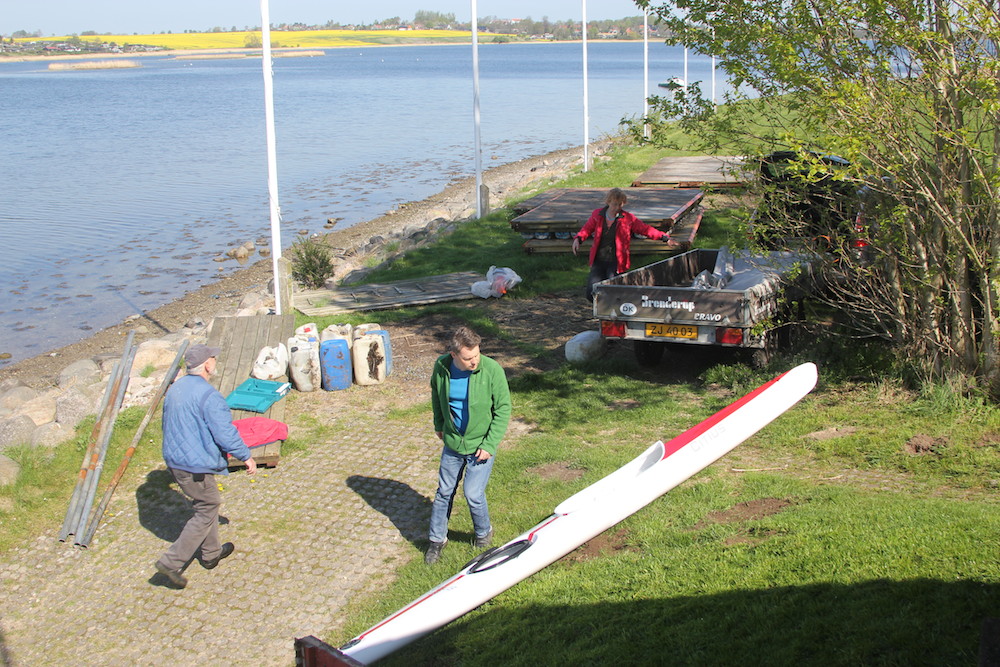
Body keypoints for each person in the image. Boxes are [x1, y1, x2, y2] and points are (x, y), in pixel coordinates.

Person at [154, 344, 256, 589]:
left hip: (176, 460)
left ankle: (211, 554)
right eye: (213, 358)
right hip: (194, 466)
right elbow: (224, 433)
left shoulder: (176, 388)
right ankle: (171, 562)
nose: (215, 361)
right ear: (207, 365)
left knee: (206, 504)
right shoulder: (209, 396)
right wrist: (246, 456)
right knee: (207, 507)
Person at [425, 326, 511, 564]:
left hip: (481, 445)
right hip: (453, 444)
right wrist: (439, 423)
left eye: (476, 355)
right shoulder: (442, 367)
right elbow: (437, 396)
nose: (474, 361)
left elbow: (503, 409)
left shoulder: (492, 370)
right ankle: (436, 540)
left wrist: (490, 444)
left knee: (473, 494)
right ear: (454, 354)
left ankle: (483, 533)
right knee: (444, 492)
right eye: (468, 358)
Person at [572, 187, 674, 301]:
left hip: (616, 262)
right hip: (599, 260)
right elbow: (587, 229)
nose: (617, 208)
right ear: (608, 202)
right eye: (614, 204)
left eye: (620, 204)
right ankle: (602, 308)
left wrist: (664, 237)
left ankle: (612, 310)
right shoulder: (598, 215)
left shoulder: (628, 218)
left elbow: (645, 229)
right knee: (591, 292)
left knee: (614, 291)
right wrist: (578, 239)